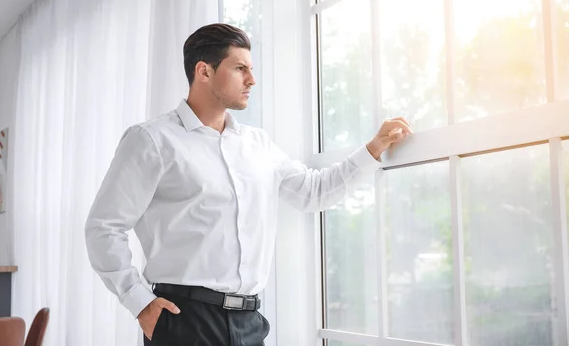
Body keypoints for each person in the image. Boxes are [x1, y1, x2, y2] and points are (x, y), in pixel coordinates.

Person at [85, 23, 412, 345]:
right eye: (240, 68)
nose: (251, 80)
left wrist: (373, 149)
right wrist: (139, 302)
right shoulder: (152, 140)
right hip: (184, 321)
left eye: (250, 69)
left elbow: (314, 193)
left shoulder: (258, 144)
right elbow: (104, 226)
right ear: (204, 71)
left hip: (250, 323)